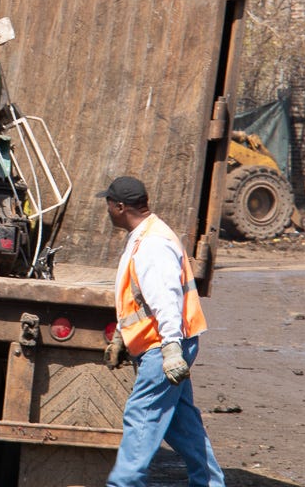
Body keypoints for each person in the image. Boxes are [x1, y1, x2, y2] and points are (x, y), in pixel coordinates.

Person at [99, 176, 224, 487]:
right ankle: (210, 483)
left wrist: (170, 348)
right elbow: (140, 299)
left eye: (109, 205)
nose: (108, 210)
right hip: (164, 343)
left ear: (120, 206)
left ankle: (124, 483)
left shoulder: (153, 244)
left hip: (163, 347)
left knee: (141, 417)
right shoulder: (144, 236)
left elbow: (166, 300)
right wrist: (121, 337)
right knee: (182, 425)